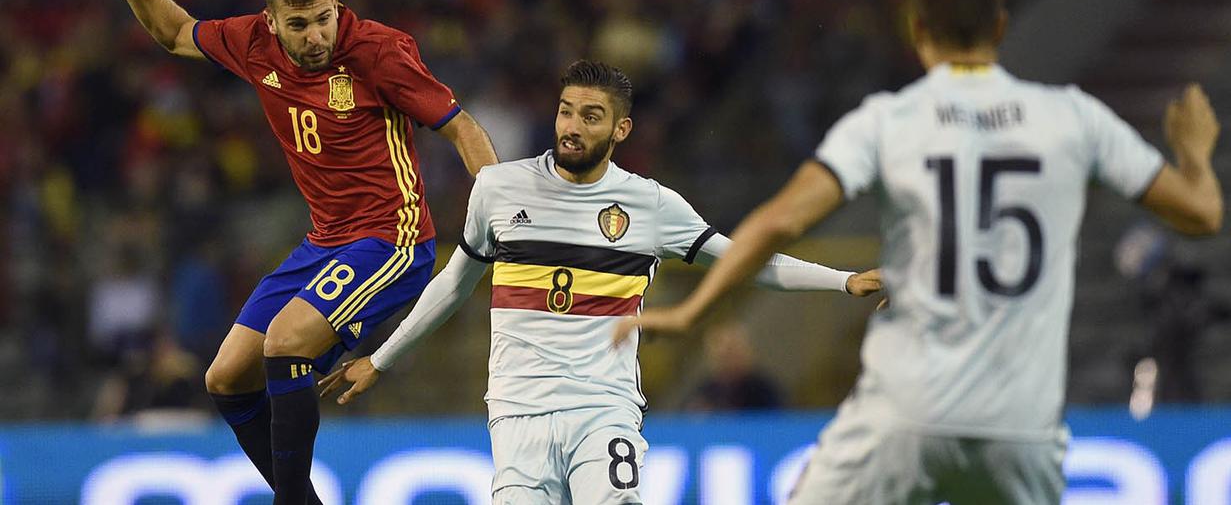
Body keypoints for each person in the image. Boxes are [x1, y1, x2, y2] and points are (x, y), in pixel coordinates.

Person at [615, 0, 1223, 505]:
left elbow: (777, 223)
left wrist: (694, 313)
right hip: (1020, 427)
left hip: (904, 415)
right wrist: (1194, 152)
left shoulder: (888, 122)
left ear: (917, 29)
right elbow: (1202, 213)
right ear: (1002, 26)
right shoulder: (1074, 119)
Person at [76, 0, 499, 505]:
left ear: (337, 5)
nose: (315, 36)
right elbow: (173, 33)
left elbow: (463, 129)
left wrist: (499, 204)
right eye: (298, 25)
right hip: (322, 244)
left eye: (323, 18)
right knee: (225, 379)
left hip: (393, 239)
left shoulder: (379, 51)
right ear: (271, 22)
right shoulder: (251, 43)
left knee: (285, 340)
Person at [318, 60, 883, 504]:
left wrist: (843, 281)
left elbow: (744, 261)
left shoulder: (651, 203)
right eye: (566, 111)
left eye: (591, 116)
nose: (572, 126)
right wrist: (382, 358)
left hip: (603, 407)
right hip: (517, 410)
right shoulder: (498, 188)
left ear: (621, 128)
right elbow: (453, 284)